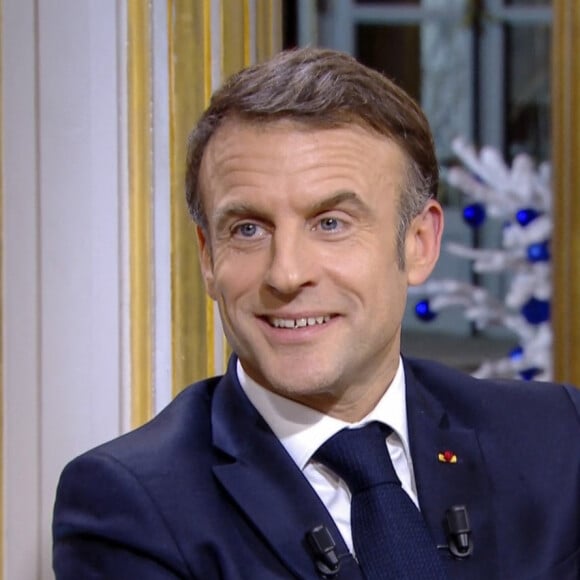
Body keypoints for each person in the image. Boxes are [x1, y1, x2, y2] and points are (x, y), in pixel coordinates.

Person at [53, 47, 580, 580]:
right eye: (248, 229)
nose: (286, 274)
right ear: (208, 257)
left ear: (419, 243)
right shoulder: (129, 507)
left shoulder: (555, 438)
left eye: (330, 223)